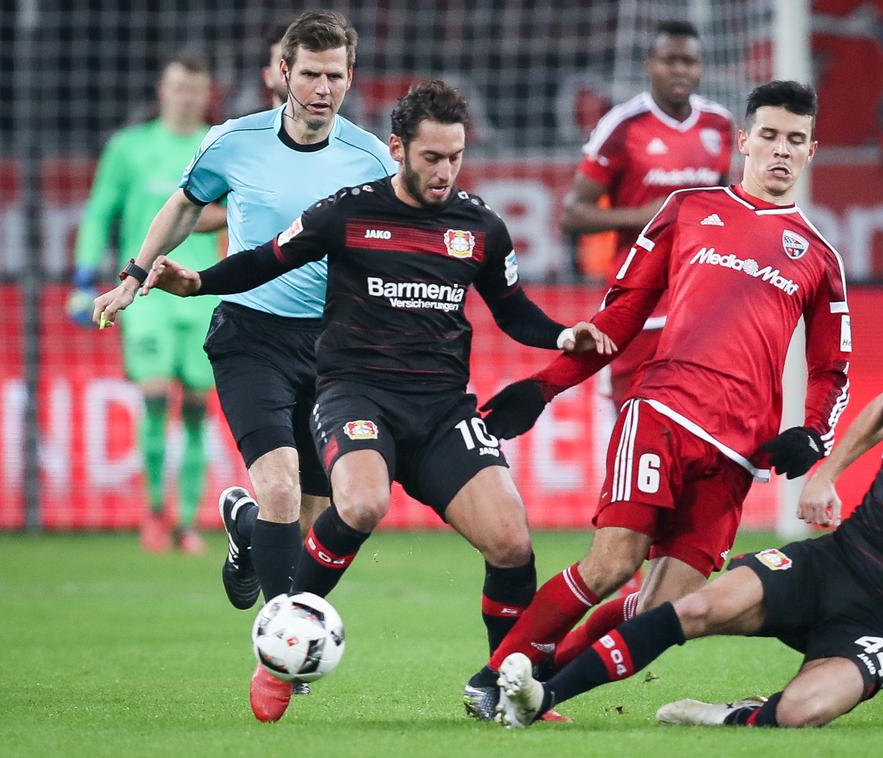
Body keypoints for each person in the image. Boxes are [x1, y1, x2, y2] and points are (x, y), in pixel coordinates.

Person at [142, 79, 613, 723]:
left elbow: (514, 313)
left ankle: (500, 684)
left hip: (443, 411)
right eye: (431, 158)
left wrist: (564, 334)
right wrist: (196, 281)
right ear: (398, 148)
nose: (446, 172)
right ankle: (277, 656)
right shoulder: (346, 212)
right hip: (355, 393)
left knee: (511, 541)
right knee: (361, 503)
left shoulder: (480, 227)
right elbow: (266, 260)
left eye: (455, 157)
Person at [466, 80, 852, 705]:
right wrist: (545, 387)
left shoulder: (818, 255)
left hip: (738, 453)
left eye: (797, 140)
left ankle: (536, 689)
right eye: (772, 136)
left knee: (661, 613)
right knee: (612, 564)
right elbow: (619, 317)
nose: (782, 151)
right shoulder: (688, 209)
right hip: (664, 413)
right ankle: (491, 679)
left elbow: (833, 366)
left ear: (812, 152)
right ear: (745, 140)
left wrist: (812, 431)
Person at [494, 305, 883, 729]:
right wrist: (825, 475)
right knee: (695, 607)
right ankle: (543, 696)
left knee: (802, 713)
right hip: (832, 564)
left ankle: (733, 715)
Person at [92, 10, 392, 647]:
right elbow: (184, 203)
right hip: (250, 335)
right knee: (281, 486)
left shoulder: (368, 155)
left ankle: (246, 530)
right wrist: (132, 274)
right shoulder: (235, 140)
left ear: (349, 77)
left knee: (316, 515)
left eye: (334, 75)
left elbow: (400, 239)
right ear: (283, 73)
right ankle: (282, 646)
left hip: (333, 346)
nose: (321, 88)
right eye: (309, 73)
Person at [67, 53, 227, 554]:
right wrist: (82, 276)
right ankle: (154, 513)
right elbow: (99, 214)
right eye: (178, 86)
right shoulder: (129, 148)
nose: (186, 96)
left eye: (195, 89)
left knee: (199, 409)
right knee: (155, 397)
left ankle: (187, 522)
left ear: (206, 94)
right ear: (162, 89)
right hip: (145, 294)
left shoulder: (217, 146)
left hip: (200, 290)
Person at [561, 20, 733, 413]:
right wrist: (641, 215)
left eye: (688, 61)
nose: (679, 70)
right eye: (669, 60)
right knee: (630, 420)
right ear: (649, 64)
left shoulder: (718, 125)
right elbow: (572, 214)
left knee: (698, 423)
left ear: (700, 67)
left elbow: (721, 202)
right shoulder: (623, 126)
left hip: (698, 302)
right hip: (637, 299)